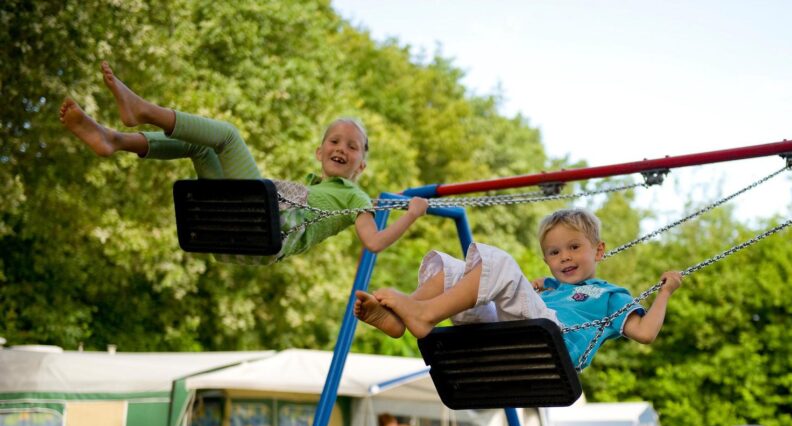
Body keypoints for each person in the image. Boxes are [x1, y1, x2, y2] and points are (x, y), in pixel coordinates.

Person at [59, 61, 428, 264]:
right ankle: (115, 140)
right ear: (319, 153)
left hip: (266, 230)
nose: (341, 149)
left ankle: (144, 111)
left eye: (352, 147)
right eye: (334, 141)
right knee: (201, 148)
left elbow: (374, 243)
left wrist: (410, 213)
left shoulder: (354, 197)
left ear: (360, 167)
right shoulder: (315, 186)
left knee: (227, 136)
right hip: (241, 231)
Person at [353, 207, 683, 370]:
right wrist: (537, 290)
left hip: (552, 342)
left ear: (598, 251)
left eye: (574, 247)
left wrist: (664, 293)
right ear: (546, 259)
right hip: (514, 332)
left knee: (498, 262)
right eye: (554, 252)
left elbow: (645, 332)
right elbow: (520, 302)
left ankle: (423, 315)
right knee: (451, 266)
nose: (564, 257)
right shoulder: (550, 289)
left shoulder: (611, 295)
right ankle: (401, 315)